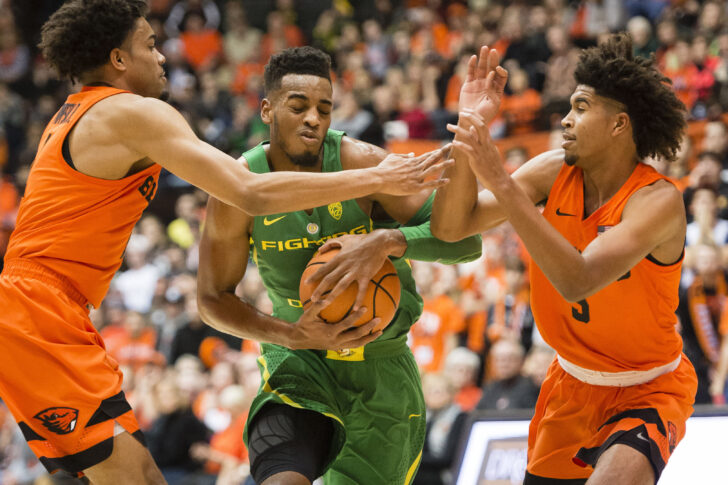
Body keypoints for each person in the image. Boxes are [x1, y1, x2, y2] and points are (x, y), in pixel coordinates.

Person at [0, 1, 452, 483]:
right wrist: (372, 179)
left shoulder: (78, 113)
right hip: (38, 310)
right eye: (150, 45)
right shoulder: (129, 112)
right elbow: (248, 192)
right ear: (118, 60)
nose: (162, 57)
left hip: (47, 308)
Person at [197, 46, 482, 485]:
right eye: (299, 106)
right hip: (298, 365)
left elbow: (463, 242)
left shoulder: (364, 163)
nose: (313, 117)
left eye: (324, 108)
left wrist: (387, 240)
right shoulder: (239, 186)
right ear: (267, 109)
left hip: (380, 371)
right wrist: (290, 334)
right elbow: (212, 299)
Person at [432, 36, 698, 484]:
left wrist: (501, 180)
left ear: (618, 125)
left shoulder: (656, 201)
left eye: (580, 106)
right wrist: (469, 126)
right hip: (571, 385)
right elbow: (451, 227)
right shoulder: (553, 170)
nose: (565, 119)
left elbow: (579, 279)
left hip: (647, 388)